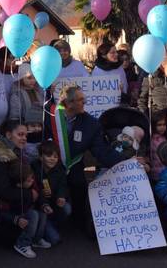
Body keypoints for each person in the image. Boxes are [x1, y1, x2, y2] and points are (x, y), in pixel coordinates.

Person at [47, 85, 123, 234]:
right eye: (81, 100)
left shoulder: (91, 124)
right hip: (50, 166)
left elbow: (102, 151)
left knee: (80, 184)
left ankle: (79, 222)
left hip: (73, 164)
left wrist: (126, 162)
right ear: (68, 104)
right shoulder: (48, 117)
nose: (85, 102)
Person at [0, 160, 51, 258]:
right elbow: (2, 212)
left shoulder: (31, 185)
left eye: (32, 178)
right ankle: (22, 244)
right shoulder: (10, 194)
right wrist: (16, 219)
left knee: (42, 213)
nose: (32, 181)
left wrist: (44, 205)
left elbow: (39, 196)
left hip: (27, 211)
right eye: (29, 180)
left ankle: (36, 239)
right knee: (33, 215)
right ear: (19, 183)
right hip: (16, 218)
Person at [31, 141, 71, 245]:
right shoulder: (33, 169)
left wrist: (61, 197)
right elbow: (34, 190)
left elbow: (63, 186)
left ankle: (51, 224)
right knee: (55, 240)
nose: (52, 159)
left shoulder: (60, 169)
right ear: (40, 157)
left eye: (55, 156)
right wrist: (44, 204)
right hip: (39, 205)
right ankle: (44, 228)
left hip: (53, 202)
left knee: (67, 208)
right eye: (49, 156)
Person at [9, 62, 44, 162]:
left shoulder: (38, 92)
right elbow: (14, 117)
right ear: (21, 78)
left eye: (34, 77)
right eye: (29, 78)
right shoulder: (17, 95)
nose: (33, 81)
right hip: (25, 138)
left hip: (38, 136)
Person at [138, 51, 167, 118]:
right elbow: (141, 101)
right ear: (164, 64)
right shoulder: (151, 79)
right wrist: (148, 119)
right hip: (157, 123)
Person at [150, 110, 167, 181]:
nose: (162, 127)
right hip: (157, 173)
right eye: (159, 125)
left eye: (164, 125)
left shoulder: (164, 137)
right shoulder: (153, 140)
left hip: (165, 170)